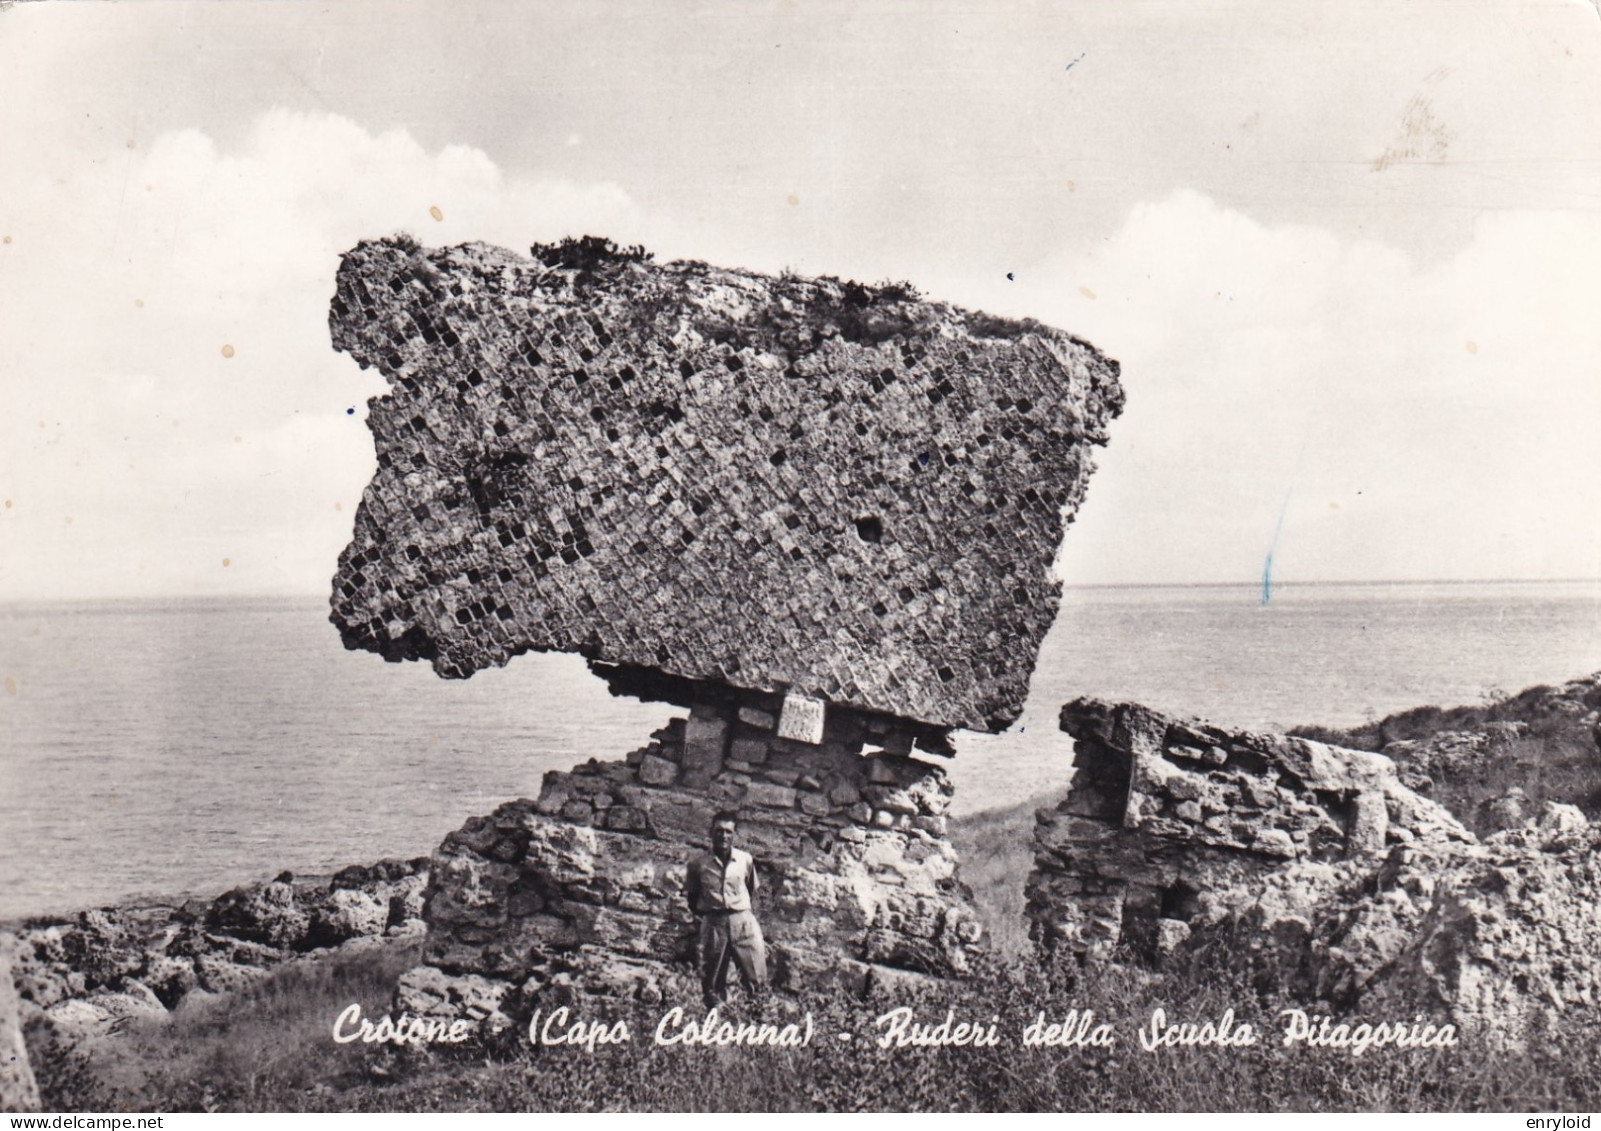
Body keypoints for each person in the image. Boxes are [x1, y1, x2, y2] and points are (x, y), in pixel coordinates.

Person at [684, 810, 768, 1009]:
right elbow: (692, 897)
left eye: (728, 832)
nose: (724, 836)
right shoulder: (698, 864)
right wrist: (709, 919)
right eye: (719, 831)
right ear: (711, 833)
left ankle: (759, 1024)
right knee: (712, 982)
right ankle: (715, 1025)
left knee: (756, 978)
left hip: (743, 921)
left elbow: (751, 890)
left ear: (735, 835)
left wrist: (742, 915)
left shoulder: (745, 860)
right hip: (714, 923)